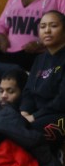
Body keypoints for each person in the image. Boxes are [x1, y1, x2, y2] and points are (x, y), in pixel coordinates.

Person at [20, 10, 65, 147]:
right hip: (36, 114)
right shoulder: (39, 60)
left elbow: (62, 100)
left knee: (26, 134)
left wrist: (34, 117)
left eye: (53, 26)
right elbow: (28, 91)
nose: (47, 31)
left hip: (59, 115)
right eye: (43, 26)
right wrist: (24, 112)